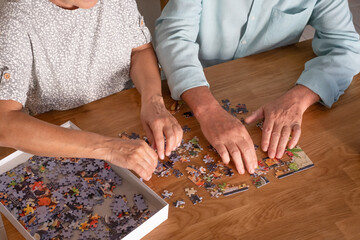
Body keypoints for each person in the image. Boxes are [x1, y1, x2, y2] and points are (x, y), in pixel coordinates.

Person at [155, 0, 360, 174]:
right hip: (187, 92)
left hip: (267, 90)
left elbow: (347, 47)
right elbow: (173, 35)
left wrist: (299, 98)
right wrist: (207, 110)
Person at [0, 0, 183, 181]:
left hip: (116, 122)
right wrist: (109, 148)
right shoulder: (14, 15)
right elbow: (4, 123)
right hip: (54, 144)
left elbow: (140, 50)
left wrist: (153, 101)